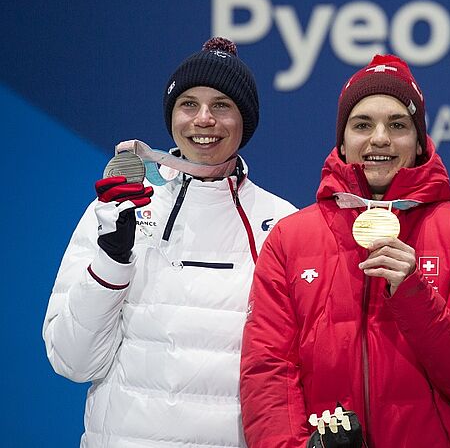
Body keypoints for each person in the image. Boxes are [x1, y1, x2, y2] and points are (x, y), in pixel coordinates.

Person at [240, 54, 450, 448]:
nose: (379, 138)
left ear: (419, 144)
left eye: (398, 125)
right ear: (343, 143)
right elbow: (267, 372)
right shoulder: (289, 239)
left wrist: (415, 294)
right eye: (362, 124)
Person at [43, 37, 297, 447]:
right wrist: (111, 261)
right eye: (188, 104)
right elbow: (72, 361)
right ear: (171, 115)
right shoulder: (117, 208)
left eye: (221, 106)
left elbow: (288, 376)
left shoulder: (283, 223)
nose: (203, 119)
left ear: (245, 120)